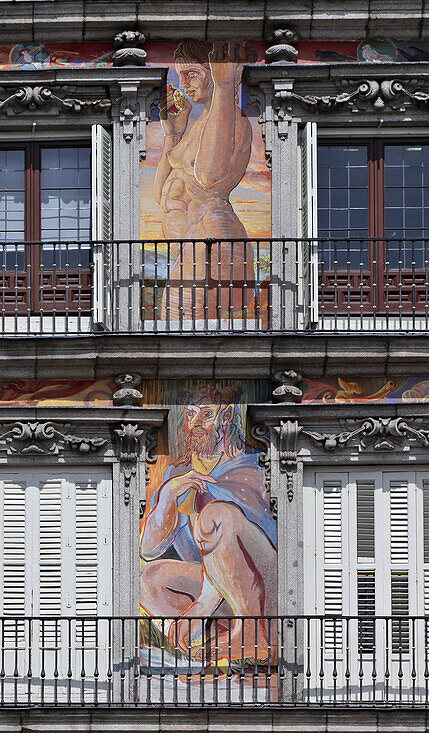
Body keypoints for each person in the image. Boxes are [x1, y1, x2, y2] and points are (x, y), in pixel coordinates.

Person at [139, 384, 277, 665]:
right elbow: (149, 547)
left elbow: (241, 546)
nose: (195, 423)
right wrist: (168, 496)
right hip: (219, 596)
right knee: (147, 579)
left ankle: (251, 634)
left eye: (206, 414)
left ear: (225, 417)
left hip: (264, 593)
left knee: (217, 515)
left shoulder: (252, 466)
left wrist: (202, 604)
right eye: (190, 414)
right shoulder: (180, 472)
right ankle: (207, 641)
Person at [155, 42, 256, 322]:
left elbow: (208, 176)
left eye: (192, 74)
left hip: (213, 245)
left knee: (181, 342)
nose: (183, 84)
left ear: (213, 71)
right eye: (180, 76)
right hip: (194, 250)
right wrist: (172, 134)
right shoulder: (199, 126)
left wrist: (224, 88)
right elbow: (160, 193)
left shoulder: (232, 120)